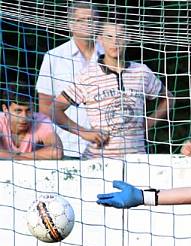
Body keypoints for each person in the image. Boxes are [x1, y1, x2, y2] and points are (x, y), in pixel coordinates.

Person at [53, 20, 172, 160]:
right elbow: (54, 110)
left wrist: (149, 123)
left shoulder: (141, 72)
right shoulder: (88, 76)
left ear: (128, 38)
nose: (115, 42)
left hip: (137, 159)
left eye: (120, 36)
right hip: (98, 161)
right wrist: (84, 132)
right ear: (100, 39)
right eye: (109, 37)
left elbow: (169, 98)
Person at [37, 1, 103, 158]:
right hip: (69, 147)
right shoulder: (54, 57)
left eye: (91, 20)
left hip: (109, 147)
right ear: (70, 24)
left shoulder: (113, 54)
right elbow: (45, 107)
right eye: (81, 20)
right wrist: (82, 132)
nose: (87, 24)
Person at [0, 87, 63, 160]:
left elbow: (57, 152)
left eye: (29, 110)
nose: (24, 117)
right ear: (5, 109)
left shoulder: (41, 121)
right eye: (18, 111)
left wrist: (18, 157)